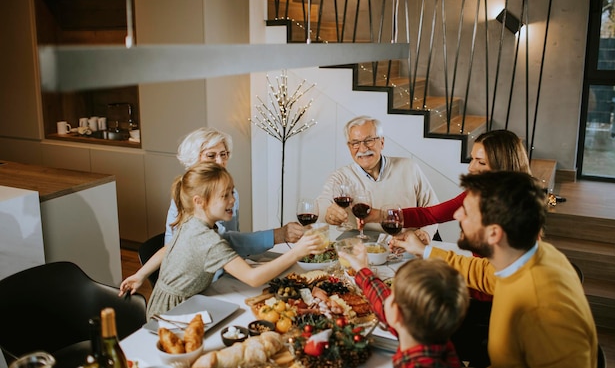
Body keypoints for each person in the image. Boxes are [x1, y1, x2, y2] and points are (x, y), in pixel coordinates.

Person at [392, 171, 598, 368]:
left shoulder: (541, 312)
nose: (457, 214)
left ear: (494, 234)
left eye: (467, 211)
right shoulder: (531, 256)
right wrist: (424, 251)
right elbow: (482, 271)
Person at [122, 128, 305, 293]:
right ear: (194, 160)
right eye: (211, 156)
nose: (220, 162)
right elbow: (222, 242)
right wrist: (278, 236)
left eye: (224, 154)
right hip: (198, 285)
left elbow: (230, 238)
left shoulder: (228, 193)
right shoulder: (190, 199)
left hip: (220, 272)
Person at [138, 162, 325, 319]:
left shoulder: (191, 221)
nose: (232, 200)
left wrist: (140, 275)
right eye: (225, 195)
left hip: (169, 303)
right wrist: (296, 252)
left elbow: (170, 247)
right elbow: (253, 278)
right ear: (199, 201)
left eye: (232, 193)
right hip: (174, 313)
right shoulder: (207, 241)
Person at [363, 129, 531, 241]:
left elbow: (489, 275)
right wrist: (377, 215)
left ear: (503, 167)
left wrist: (426, 252)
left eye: (481, 162)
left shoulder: (518, 212)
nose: (471, 167)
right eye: (472, 159)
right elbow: (430, 214)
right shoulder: (477, 193)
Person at [338, 245, 469, 368]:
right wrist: (362, 269)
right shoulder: (432, 333)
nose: (387, 298)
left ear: (396, 313)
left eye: (392, 295)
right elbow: (384, 302)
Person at [318, 115, 440, 241]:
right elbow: (321, 207)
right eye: (355, 143)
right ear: (349, 147)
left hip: (409, 244)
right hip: (367, 249)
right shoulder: (340, 177)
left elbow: (433, 208)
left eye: (369, 140)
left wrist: (426, 233)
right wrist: (329, 214)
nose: (363, 148)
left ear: (382, 142)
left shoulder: (409, 167)